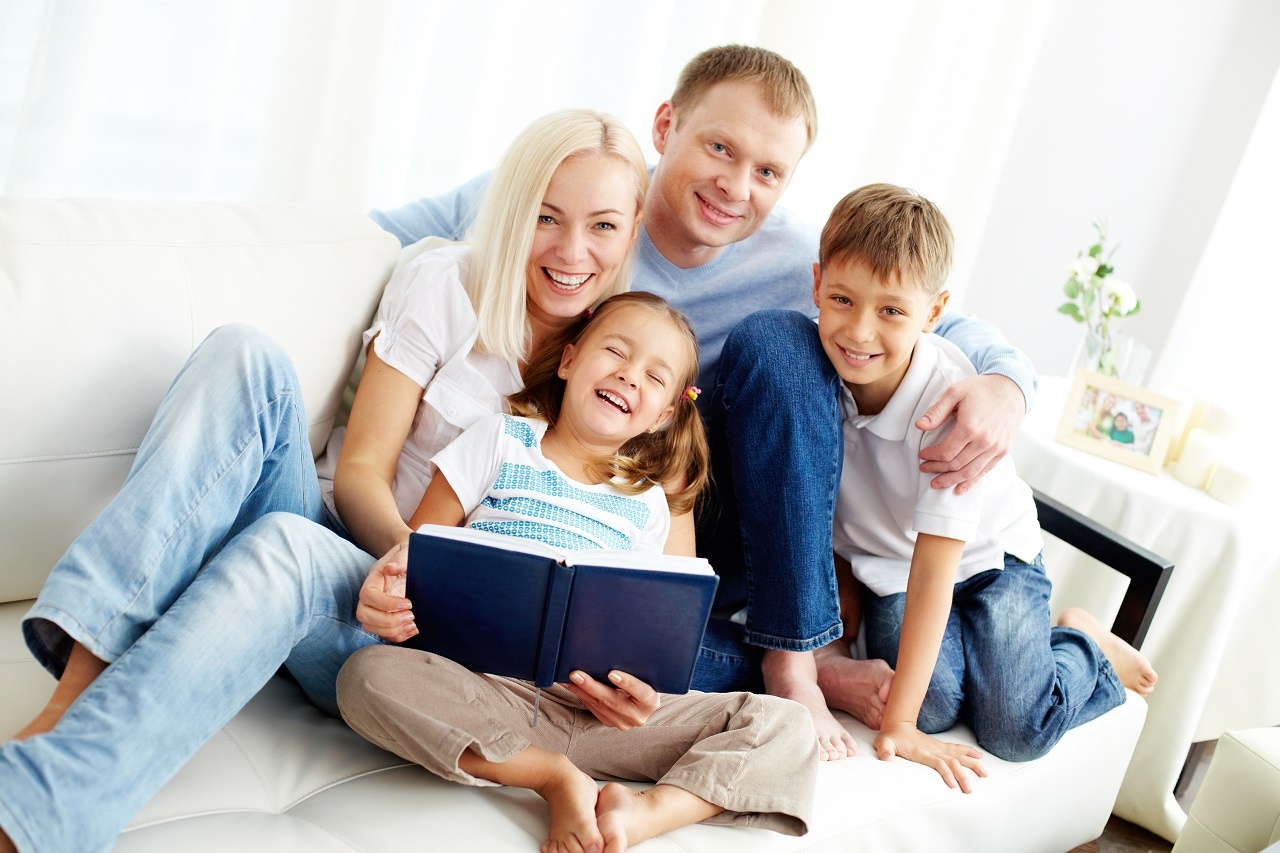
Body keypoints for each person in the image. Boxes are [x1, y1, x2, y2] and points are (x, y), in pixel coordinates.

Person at [0, 109, 657, 853]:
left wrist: (630, 680)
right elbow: (361, 473)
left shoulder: (628, 358)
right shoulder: (447, 282)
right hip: (362, 556)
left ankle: (40, 806)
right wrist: (412, 560)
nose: (572, 251)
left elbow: (649, 566)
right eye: (547, 216)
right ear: (513, 209)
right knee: (244, 355)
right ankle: (70, 699)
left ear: (634, 223)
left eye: (602, 225)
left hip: (417, 655)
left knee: (290, 547)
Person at [371, 44, 1039, 760]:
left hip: (692, 495)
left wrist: (1007, 384)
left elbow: (925, 311)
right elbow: (387, 230)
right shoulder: (583, 198)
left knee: (780, 344)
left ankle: (793, 660)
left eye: (768, 172)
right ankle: (795, 662)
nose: (735, 185)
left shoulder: (799, 262)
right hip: (564, 495)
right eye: (720, 147)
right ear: (665, 127)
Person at [340, 293, 816, 852]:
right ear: (568, 361)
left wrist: (645, 697)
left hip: (605, 721)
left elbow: (660, 642)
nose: (628, 376)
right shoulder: (498, 441)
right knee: (366, 675)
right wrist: (395, 598)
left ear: (663, 415)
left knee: (786, 725)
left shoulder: (649, 505)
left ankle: (644, 815)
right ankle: (550, 775)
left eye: (654, 376)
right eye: (615, 351)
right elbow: (418, 559)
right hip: (488, 694)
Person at [803, 183, 1157, 791]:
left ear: (933, 313)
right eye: (842, 299)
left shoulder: (944, 402)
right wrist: (915, 713)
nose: (860, 332)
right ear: (816, 285)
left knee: (1017, 729)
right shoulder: (809, 377)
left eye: (892, 311)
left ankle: (1082, 645)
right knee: (937, 704)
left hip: (991, 559)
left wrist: (901, 727)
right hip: (891, 569)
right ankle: (1006, 657)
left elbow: (936, 570)